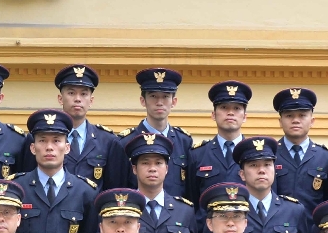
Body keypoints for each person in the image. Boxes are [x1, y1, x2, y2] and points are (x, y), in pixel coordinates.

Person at [22, 65, 127, 189]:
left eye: (83, 94)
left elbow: (115, 188)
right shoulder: (37, 138)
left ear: (91, 100)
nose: (77, 99)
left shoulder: (108, 141)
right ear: (60, 99)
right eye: (71, 93)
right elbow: (27, 182)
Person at [118, 68, 193, 196]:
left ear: (173, 102)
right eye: (153, 96)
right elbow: (118, 188)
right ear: (143, 101)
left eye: (165, 96)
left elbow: (190, 189)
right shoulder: (125, 142)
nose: (159, 102)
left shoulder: (184, 141)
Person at [185, 81, 252, 210]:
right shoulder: (197, 154)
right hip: (207, 227)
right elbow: (191, 200)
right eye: (224, 107)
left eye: (237, 108)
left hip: (246, 227)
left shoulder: (254, 154)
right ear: (213, 115)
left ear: (245, 116)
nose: (230, 113)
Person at [272, 87, 328, 213]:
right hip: (277, 229)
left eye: (302, 115)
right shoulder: (269, 154)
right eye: (289, 115)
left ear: (312, 121)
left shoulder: (326, 157)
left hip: (312, 229)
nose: (296, 120)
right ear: (280, 121)